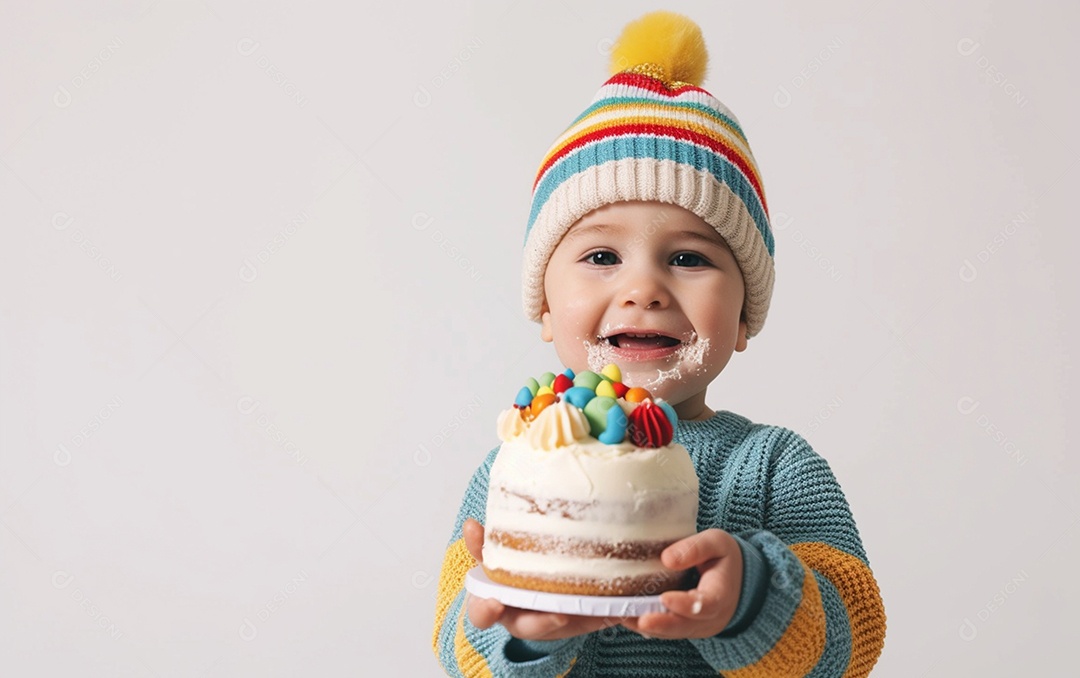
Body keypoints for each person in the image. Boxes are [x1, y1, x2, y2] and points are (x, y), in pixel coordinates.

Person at [432, 10, 886, 677]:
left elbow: (853, 642)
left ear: (742, 318)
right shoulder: (522, 464)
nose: (643, 288)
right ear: (548, 310)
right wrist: (527, 638)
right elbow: (456, 644)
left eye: (688, 259)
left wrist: (751, 598)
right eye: (601, 256)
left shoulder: (775, 468)